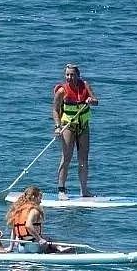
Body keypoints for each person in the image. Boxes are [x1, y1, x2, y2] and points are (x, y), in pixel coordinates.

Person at [52, 63, 99, 199]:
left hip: (83, 126)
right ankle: (61, 190)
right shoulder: (62, 91)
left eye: (72, 74)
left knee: (83, 159)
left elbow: (96, 101)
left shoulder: (85, 85)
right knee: (66, 157)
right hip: (68, 126)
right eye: (67, 74)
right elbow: (55, 110)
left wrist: (91, 100)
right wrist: (57, 126)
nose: (69, 77)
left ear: (78, 75)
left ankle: (84, 190)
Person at [5, 185, 73, 253]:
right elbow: (28, 225)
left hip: (21, 247)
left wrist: (10, 247)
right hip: (34, 246)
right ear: (34, 197)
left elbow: (14, 230)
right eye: (40, 198)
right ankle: (60, 249)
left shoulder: (18, 210)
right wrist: (39, 239)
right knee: (48, 241)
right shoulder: (33, 210)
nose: (41, 201)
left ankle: (59, 248)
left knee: (45, 239)